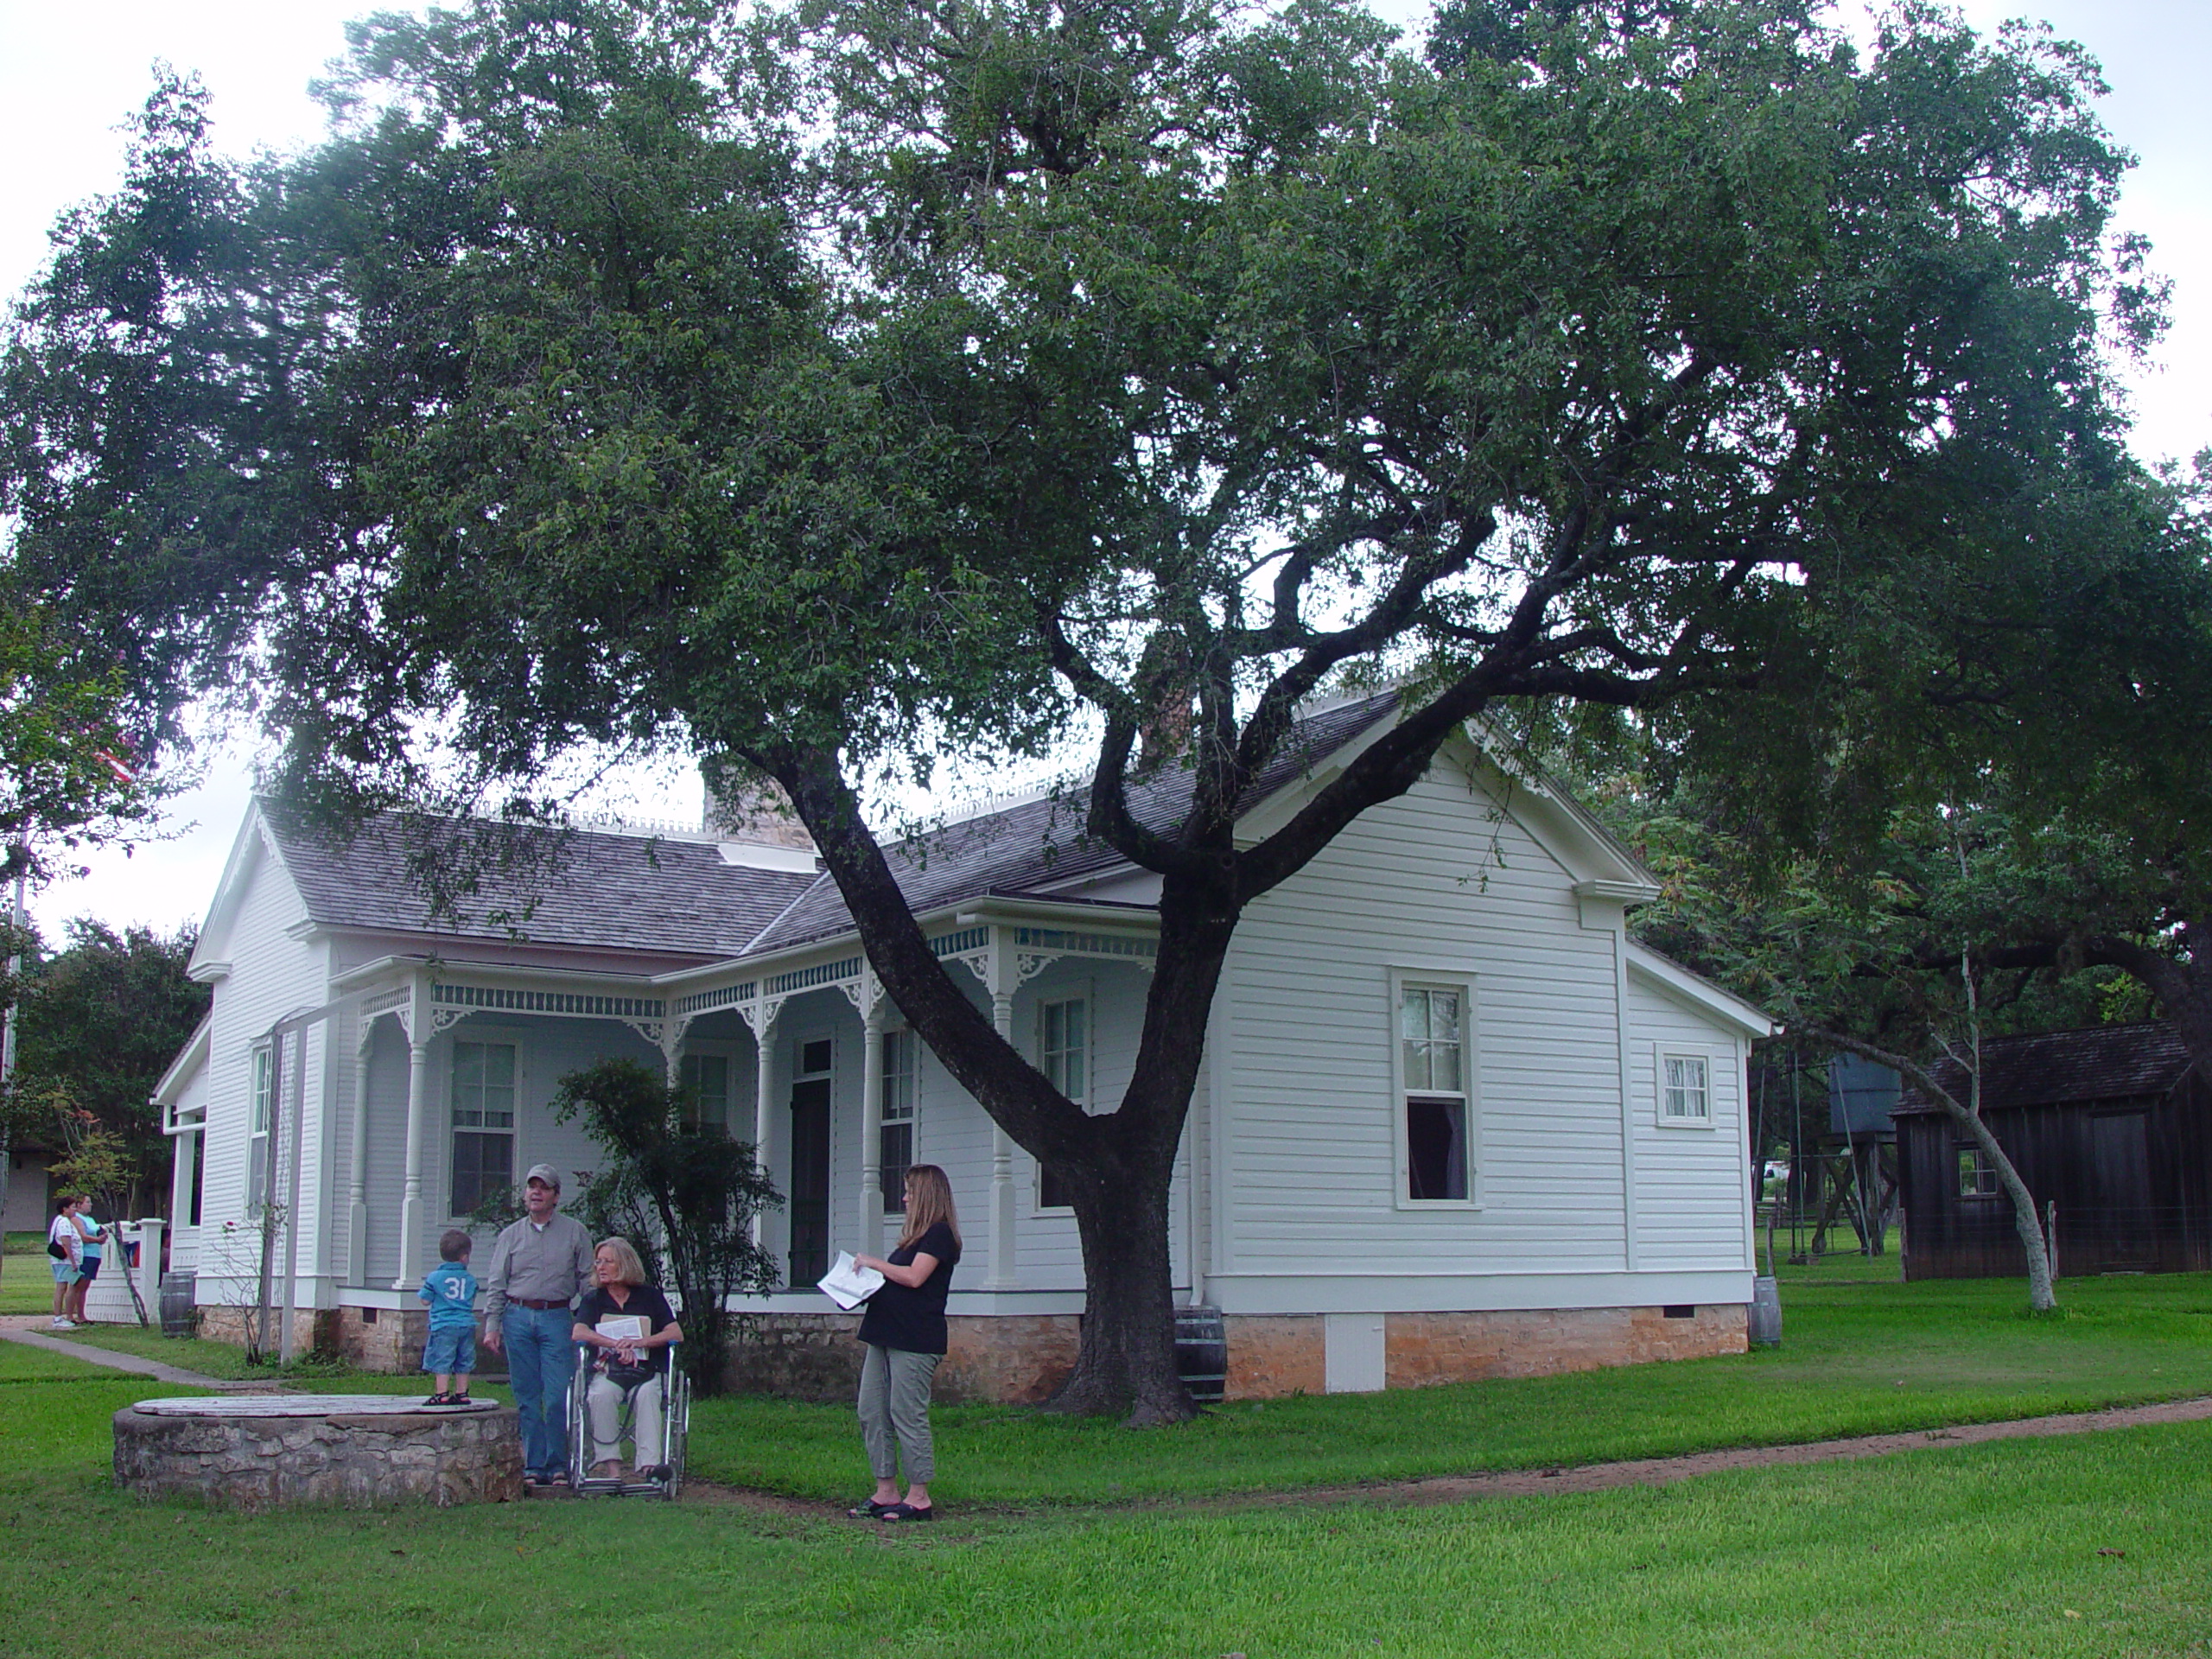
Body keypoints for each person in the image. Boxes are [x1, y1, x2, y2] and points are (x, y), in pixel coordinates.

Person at [848, 1164, 961, 1522]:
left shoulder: (940, 1236)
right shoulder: (912, 1240)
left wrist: (873, 1263)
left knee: (907, 1413)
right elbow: (896, 1282)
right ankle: (886, 1491)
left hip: (915, 1339)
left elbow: (914, 1278)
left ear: (926, 1194)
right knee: (872, 1410)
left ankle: (919, 1497)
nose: (905, 1198)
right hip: (883, 1333)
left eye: (910, 1192)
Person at [480, 1163, 594, 1487]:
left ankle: (558, 1464)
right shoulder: (511, 1235)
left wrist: (592, 1322)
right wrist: (492, 1325)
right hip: (517, 1318)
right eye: (532, 1187)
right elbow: (497, 1281)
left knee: (558, 1395)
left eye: (543, 1188)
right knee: (527, 1396)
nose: (536, 1193)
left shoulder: (575, 1232)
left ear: (556, 1195)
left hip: (557, 1317)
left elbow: (587, 1279)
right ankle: (533, 1465)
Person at [570, 1236, 683, 1481]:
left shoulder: (649, 1297)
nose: (600, 1267)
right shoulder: (594, 1299)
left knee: (648, 1397)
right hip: (608, 1370)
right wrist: (614, 1344)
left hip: (646, 1370)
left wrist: (639, 1342)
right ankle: (611, 1468)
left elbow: (675, 1333)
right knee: (600, 1396)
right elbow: (579, 1332)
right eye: (598, 1262)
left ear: (625, 1264)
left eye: (608, 1262)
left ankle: (649, 1467)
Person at [417, 1228, 480, 1407]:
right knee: (464, 1358)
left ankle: (442, 1394)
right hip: (466, 1323)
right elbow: (471, 1298)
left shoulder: (435, 1277)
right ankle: (462, 1393)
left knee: (443, 1358)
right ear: (464, 1257)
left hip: (443, 1325)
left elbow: (424, 1300)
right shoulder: (470, 1279)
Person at [67, 1196, 106, 1326]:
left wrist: (103, 1236)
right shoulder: (76, 1219)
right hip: (85, 1255)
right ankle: (73, 1315)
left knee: (85, 1286)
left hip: (95, 1254)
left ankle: (82, 1315)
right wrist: (97, 1239)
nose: (91, 1205)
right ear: (79, 1205)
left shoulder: (91, 1219)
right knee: (79, 1285)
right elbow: (83, 1237)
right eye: (88, 1202)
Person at [46, 1196, 81, 1331]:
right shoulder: (64, 1222)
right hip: (64, 1261)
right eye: (73, 1207)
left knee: (62, 1287)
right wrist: (73, 1262)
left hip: (60, 1261)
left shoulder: (59, 1221)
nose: (75, 1210)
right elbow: (66, 1242)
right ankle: (58, 1318)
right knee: (61, 1288)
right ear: (65, 1209)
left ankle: (59, 1317)